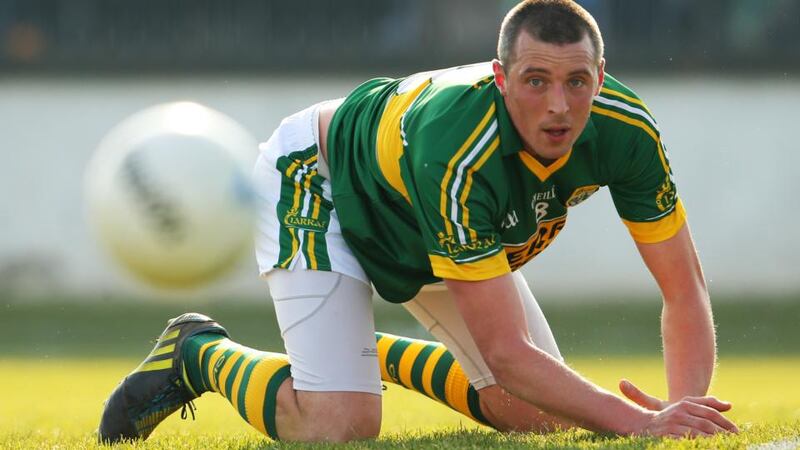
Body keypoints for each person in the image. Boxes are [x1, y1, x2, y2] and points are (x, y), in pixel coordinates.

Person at [98, 0, 739, 443]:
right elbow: (507, 354)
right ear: (500, 78)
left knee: (542, 416)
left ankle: (360, 354)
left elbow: (684, 288)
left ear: (601, 78)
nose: (558, 107)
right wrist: (638, 421)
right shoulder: (461, 152)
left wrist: (686, 409)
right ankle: (197, 353)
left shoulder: (627, 132)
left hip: (418, 215)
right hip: (322, 181)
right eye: (535, 80)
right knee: (338, 424)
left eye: (576, 82)